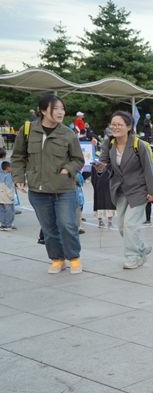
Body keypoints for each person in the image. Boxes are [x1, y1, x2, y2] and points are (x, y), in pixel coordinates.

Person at [11, 94, 84, 274]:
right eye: (55, 108)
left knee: (67, 225)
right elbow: (18, 156)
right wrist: (18, 178)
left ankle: (74, 258)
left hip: (64, 189)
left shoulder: (68, 133)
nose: (60, 112)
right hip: (38, 190)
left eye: (62, 109)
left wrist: (67, 169)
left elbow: (78, 159)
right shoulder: (27, 130)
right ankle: (57, 259)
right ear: (43, 111)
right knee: (49, 228)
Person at [97, 111, 153, 269]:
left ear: (129, 127)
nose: (115, 127)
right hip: (119, 190)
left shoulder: (139, 145)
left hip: (139, 190)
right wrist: (100, 167)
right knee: (122, 227)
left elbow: (149, 169)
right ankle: (142, 247)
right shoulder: (109, 143)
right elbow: (103, 162)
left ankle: (133, 257)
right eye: (113, 124)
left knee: (130, 225)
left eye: (119, 124)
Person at [90, 163, 115, 229]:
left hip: (102, 186)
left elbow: (93, 178)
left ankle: (103, 222)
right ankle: (107, 222)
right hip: (105, 186)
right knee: (107, 203)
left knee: (104, 203)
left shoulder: (107, 164)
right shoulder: (108, 164)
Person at [0, 161, 15, 231]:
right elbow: (9, 188)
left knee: (2, 210)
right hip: (7, 198)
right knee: (10, 211)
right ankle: (8, 225)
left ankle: (3, 224)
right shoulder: (8, 176)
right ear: (8, 168)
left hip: (1, 197)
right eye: (11, 167)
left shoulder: (1, 175)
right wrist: (11, 197)